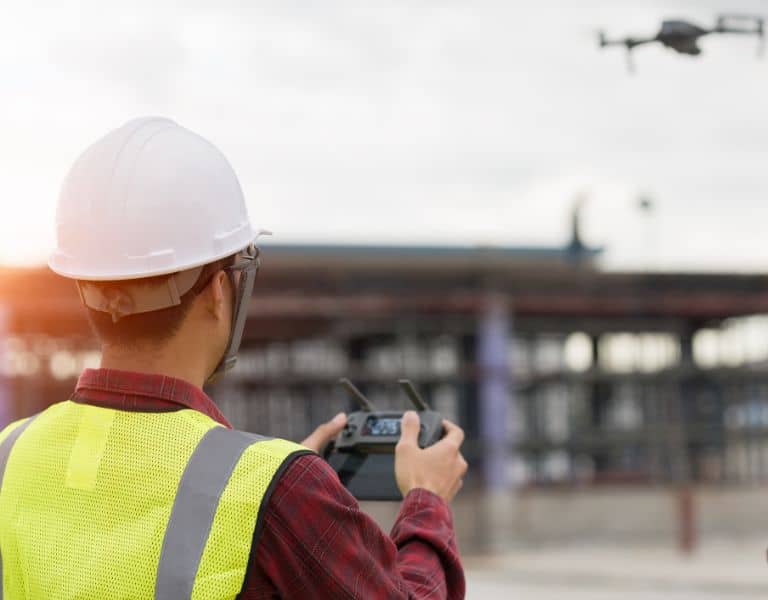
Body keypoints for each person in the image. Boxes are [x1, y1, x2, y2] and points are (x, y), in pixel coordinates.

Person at [0, 117, 468, 599]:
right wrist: (426, 499)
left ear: (86, 285)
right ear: (220, 291)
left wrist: (268, 476)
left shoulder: (10, 455)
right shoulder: (280, 492)